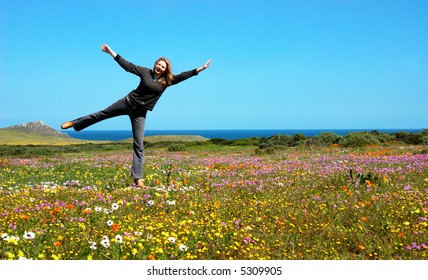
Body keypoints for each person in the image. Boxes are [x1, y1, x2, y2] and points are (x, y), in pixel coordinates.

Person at [61, 44, 211, 187]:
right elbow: (128, 66)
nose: (159, 67)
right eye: (158, 64)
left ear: (166, 69)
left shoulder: (167, 81)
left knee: (139, 145)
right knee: (101, 114)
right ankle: (75, 123)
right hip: (127, 102)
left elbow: (183, 76)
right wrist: (111, 52)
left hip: (140, 113)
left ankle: (137, 179)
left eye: (163, 66)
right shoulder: (145, 72)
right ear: (155, 64)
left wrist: (200, 69)